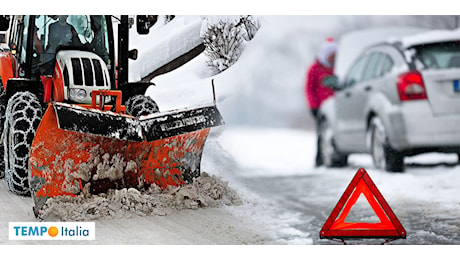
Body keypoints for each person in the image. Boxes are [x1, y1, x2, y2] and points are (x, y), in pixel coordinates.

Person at [305, 37, 337, 167]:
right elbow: (309, 89)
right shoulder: (315, 69)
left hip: (336, 107)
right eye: (331, 54)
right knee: (322, 133)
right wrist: (313, 106)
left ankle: (336, 158)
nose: (333, 57)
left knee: (335, 132)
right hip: (321, 108)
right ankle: (320, 160)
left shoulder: (338, 67)